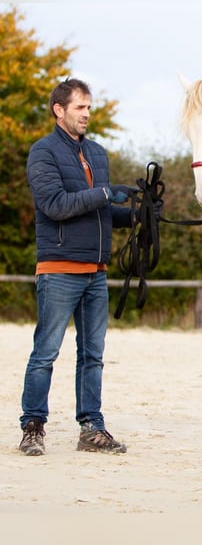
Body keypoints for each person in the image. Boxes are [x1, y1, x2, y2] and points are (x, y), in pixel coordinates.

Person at [19, 78, 134, 456]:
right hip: (59, 268)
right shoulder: (43, 153)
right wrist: (104, 192)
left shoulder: (98, 153)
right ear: (59, 110)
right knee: (46, 353)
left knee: (93, 356)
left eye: (88, 107)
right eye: (80, 107)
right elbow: (55, 204)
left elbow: (99, 211)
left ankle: (91, 428)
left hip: (95, 272)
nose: (87, 113)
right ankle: (33, 426)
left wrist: (135, 215)